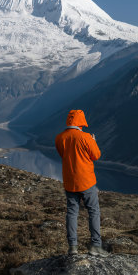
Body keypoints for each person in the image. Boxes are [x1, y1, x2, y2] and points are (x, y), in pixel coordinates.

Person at [55, 109, 109, 256]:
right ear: (81, 122)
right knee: (93, 211)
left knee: (72, 212)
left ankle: (73, 247)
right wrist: (93, 141)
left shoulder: (60, 138)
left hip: (69, 182)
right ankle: (96, 246)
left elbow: (63, 155)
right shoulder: (85, 137)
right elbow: (96, 155)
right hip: (86, 181)